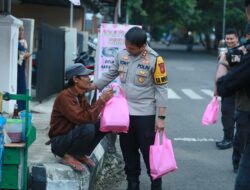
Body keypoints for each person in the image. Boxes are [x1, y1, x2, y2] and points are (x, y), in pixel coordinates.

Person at [89, 27, 168, 190]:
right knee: (128, 149)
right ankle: (133, 182)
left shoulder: (155, 60)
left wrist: (161, 118)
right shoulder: (122, 55)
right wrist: (91, 86)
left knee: (148, 151)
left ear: (142, 46)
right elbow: (110, 74)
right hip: (124, 113)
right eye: (127, 46)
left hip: (145, 113)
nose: (128, 50)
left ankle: (156, 182)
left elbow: (161, 89)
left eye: (132, 48)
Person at [47, 63, 113, 172]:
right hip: (59, 142)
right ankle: (68, 156)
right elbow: (82, 118)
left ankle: (80, 153)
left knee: (102, 123)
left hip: (70, 136)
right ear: (75, 79)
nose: (89, 79)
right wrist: (100, 101)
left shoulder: (80, 95)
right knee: (88, 127)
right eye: (85, 76)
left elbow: (90, 115)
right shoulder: (65, 96)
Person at [216, 1, 250, 188]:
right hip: (239, 100)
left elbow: (223, 85)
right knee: (233, 125)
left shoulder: (241, 53)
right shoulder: (238, 52)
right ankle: (233, 152)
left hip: (243, 102)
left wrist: (223, 63)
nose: (230, 41)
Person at [216, 28, 239, 150]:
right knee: (226, 114)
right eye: (227, 38)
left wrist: (225, 58)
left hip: (236, 89)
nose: (229, 40)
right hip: (226, 87)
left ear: (237, 39)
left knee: (230, 114)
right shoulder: (226, 51)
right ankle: (228, 137)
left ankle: (229, 139)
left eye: (231, 38)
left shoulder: (240, 51)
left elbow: (236, 64)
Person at [17, 25, 30, 111]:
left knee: (22, 87)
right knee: (18, 87)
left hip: (22, 68)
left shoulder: (23, 42)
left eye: (22, 30)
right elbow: (22, 55)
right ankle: (18, 108)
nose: (21, 32)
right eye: (19, 30)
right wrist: (26, 55)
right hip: (17, 68)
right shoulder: (16, 42)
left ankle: (22, 109)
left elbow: (27, 55)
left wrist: (26, 69)